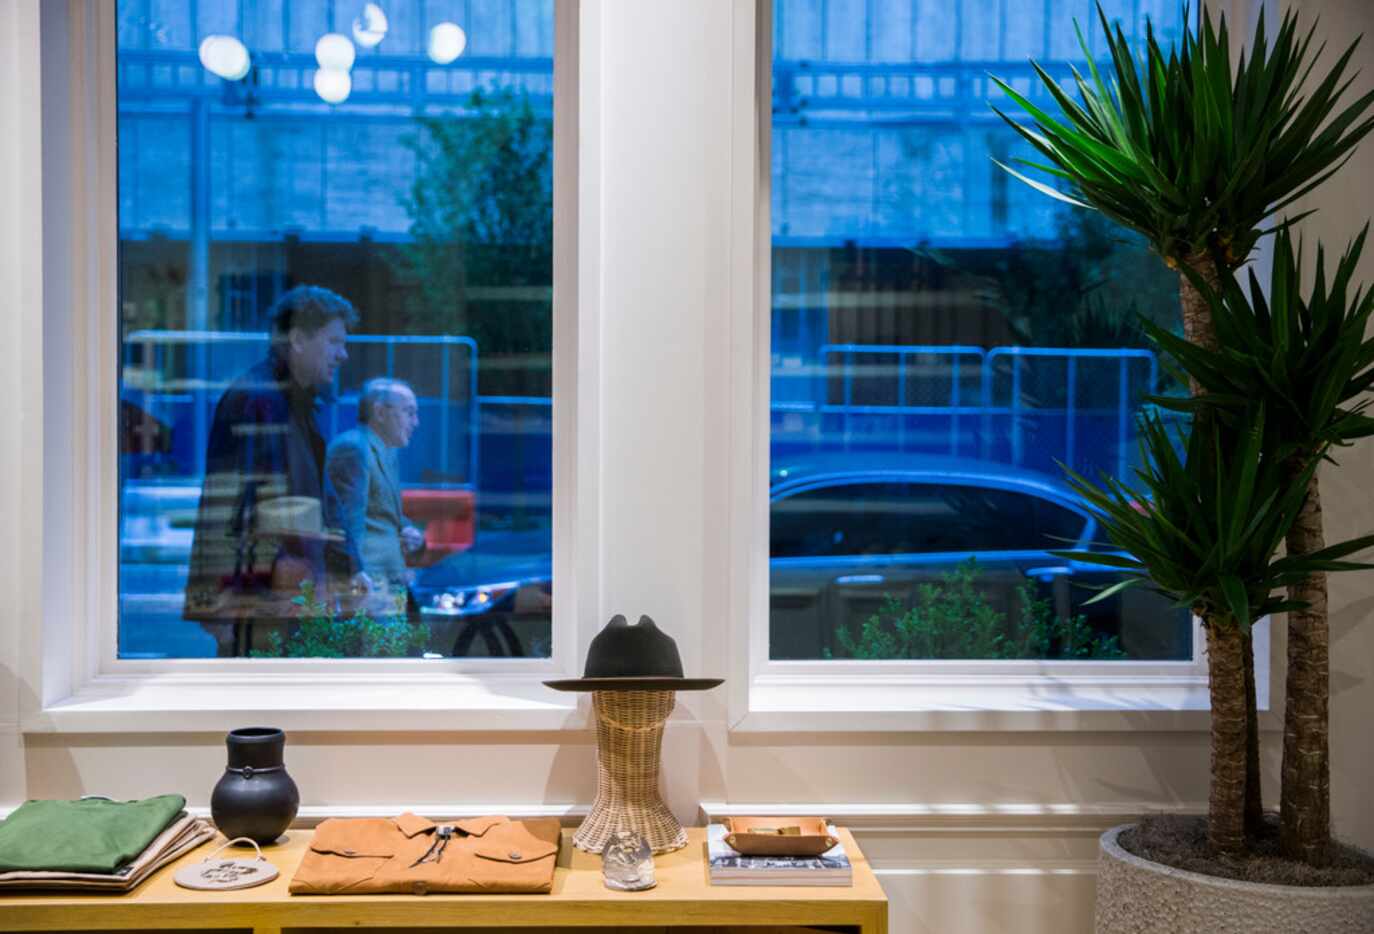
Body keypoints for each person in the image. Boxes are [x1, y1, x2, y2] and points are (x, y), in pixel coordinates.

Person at [183, 285, 358, 656]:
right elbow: (230, 508)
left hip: (284, 597)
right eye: (334, 342)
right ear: (297, 340)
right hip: (268, 602)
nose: (344, 355)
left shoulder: (290, 402)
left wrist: (349, 568)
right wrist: (222, 607)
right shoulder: (259, 399)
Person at [324, 378, 426, 597]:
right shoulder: (354, 449)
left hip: (387, 583)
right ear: (379, 413)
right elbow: (347, 522)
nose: (415, 422)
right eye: (409, 412)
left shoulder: (386, 450)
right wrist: (356, 576)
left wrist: (410, 532)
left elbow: (382, 513)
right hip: (368, 586)